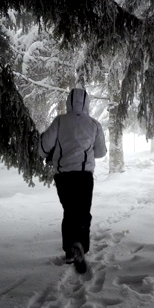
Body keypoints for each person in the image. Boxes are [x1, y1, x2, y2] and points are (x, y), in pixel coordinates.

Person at [39, 88, 107, 274]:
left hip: (63, 176)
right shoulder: (93, 124)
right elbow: (101, 152)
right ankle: (80, 247)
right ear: (87, 103)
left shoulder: (59, 121)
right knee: (83, 212)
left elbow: (43, 146)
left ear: (69, 102)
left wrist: (48, 153)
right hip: (84, 175)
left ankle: (70, 250)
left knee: (69, 211)